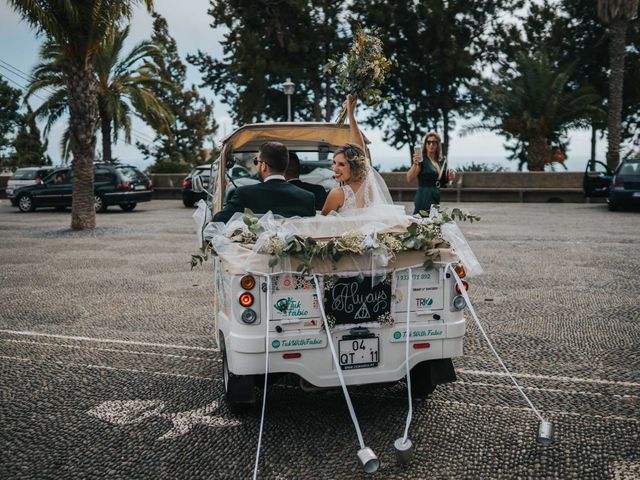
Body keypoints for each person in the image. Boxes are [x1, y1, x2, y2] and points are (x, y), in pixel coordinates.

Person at [321, 95, 393, 215]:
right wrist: (351, 114)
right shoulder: (369, 184)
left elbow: (321, 225)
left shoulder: (337, 194)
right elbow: (360, 147)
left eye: (341, 164)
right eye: (334, 163)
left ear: (354, 166)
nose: (335, 168)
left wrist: (351, 114)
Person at [212, 141, 316, 223]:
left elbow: (217, 221)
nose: (256, 165)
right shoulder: (307, 197)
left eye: (256, 161)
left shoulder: (244, 194)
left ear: (263, 166)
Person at [406, 131, 456, 215]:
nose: (431, 145)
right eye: (428, 142)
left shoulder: (439, 162)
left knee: (433, 223)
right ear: (425, 144)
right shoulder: (422, 161)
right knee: (423, 223)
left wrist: (449, 178)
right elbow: (409, 178)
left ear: (437, 145)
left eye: (434, 142)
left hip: (435, 196)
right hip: (424, 196)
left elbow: (441, 182)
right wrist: (415, 164)